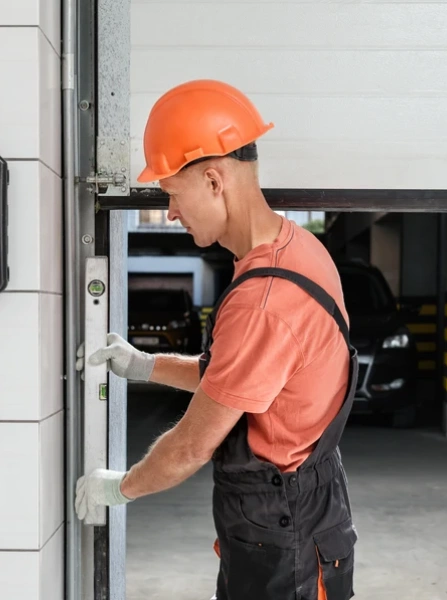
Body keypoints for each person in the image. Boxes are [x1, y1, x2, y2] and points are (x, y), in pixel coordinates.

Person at [75, 79, 359, 600]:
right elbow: (238, 377)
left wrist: (119, 487)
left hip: (286, 545)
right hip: (295, 522)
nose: (172, 213)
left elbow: (189, 447)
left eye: (173, 196)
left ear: (213, 180)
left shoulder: (264, 301)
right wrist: (144, 364)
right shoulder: (298, 250)